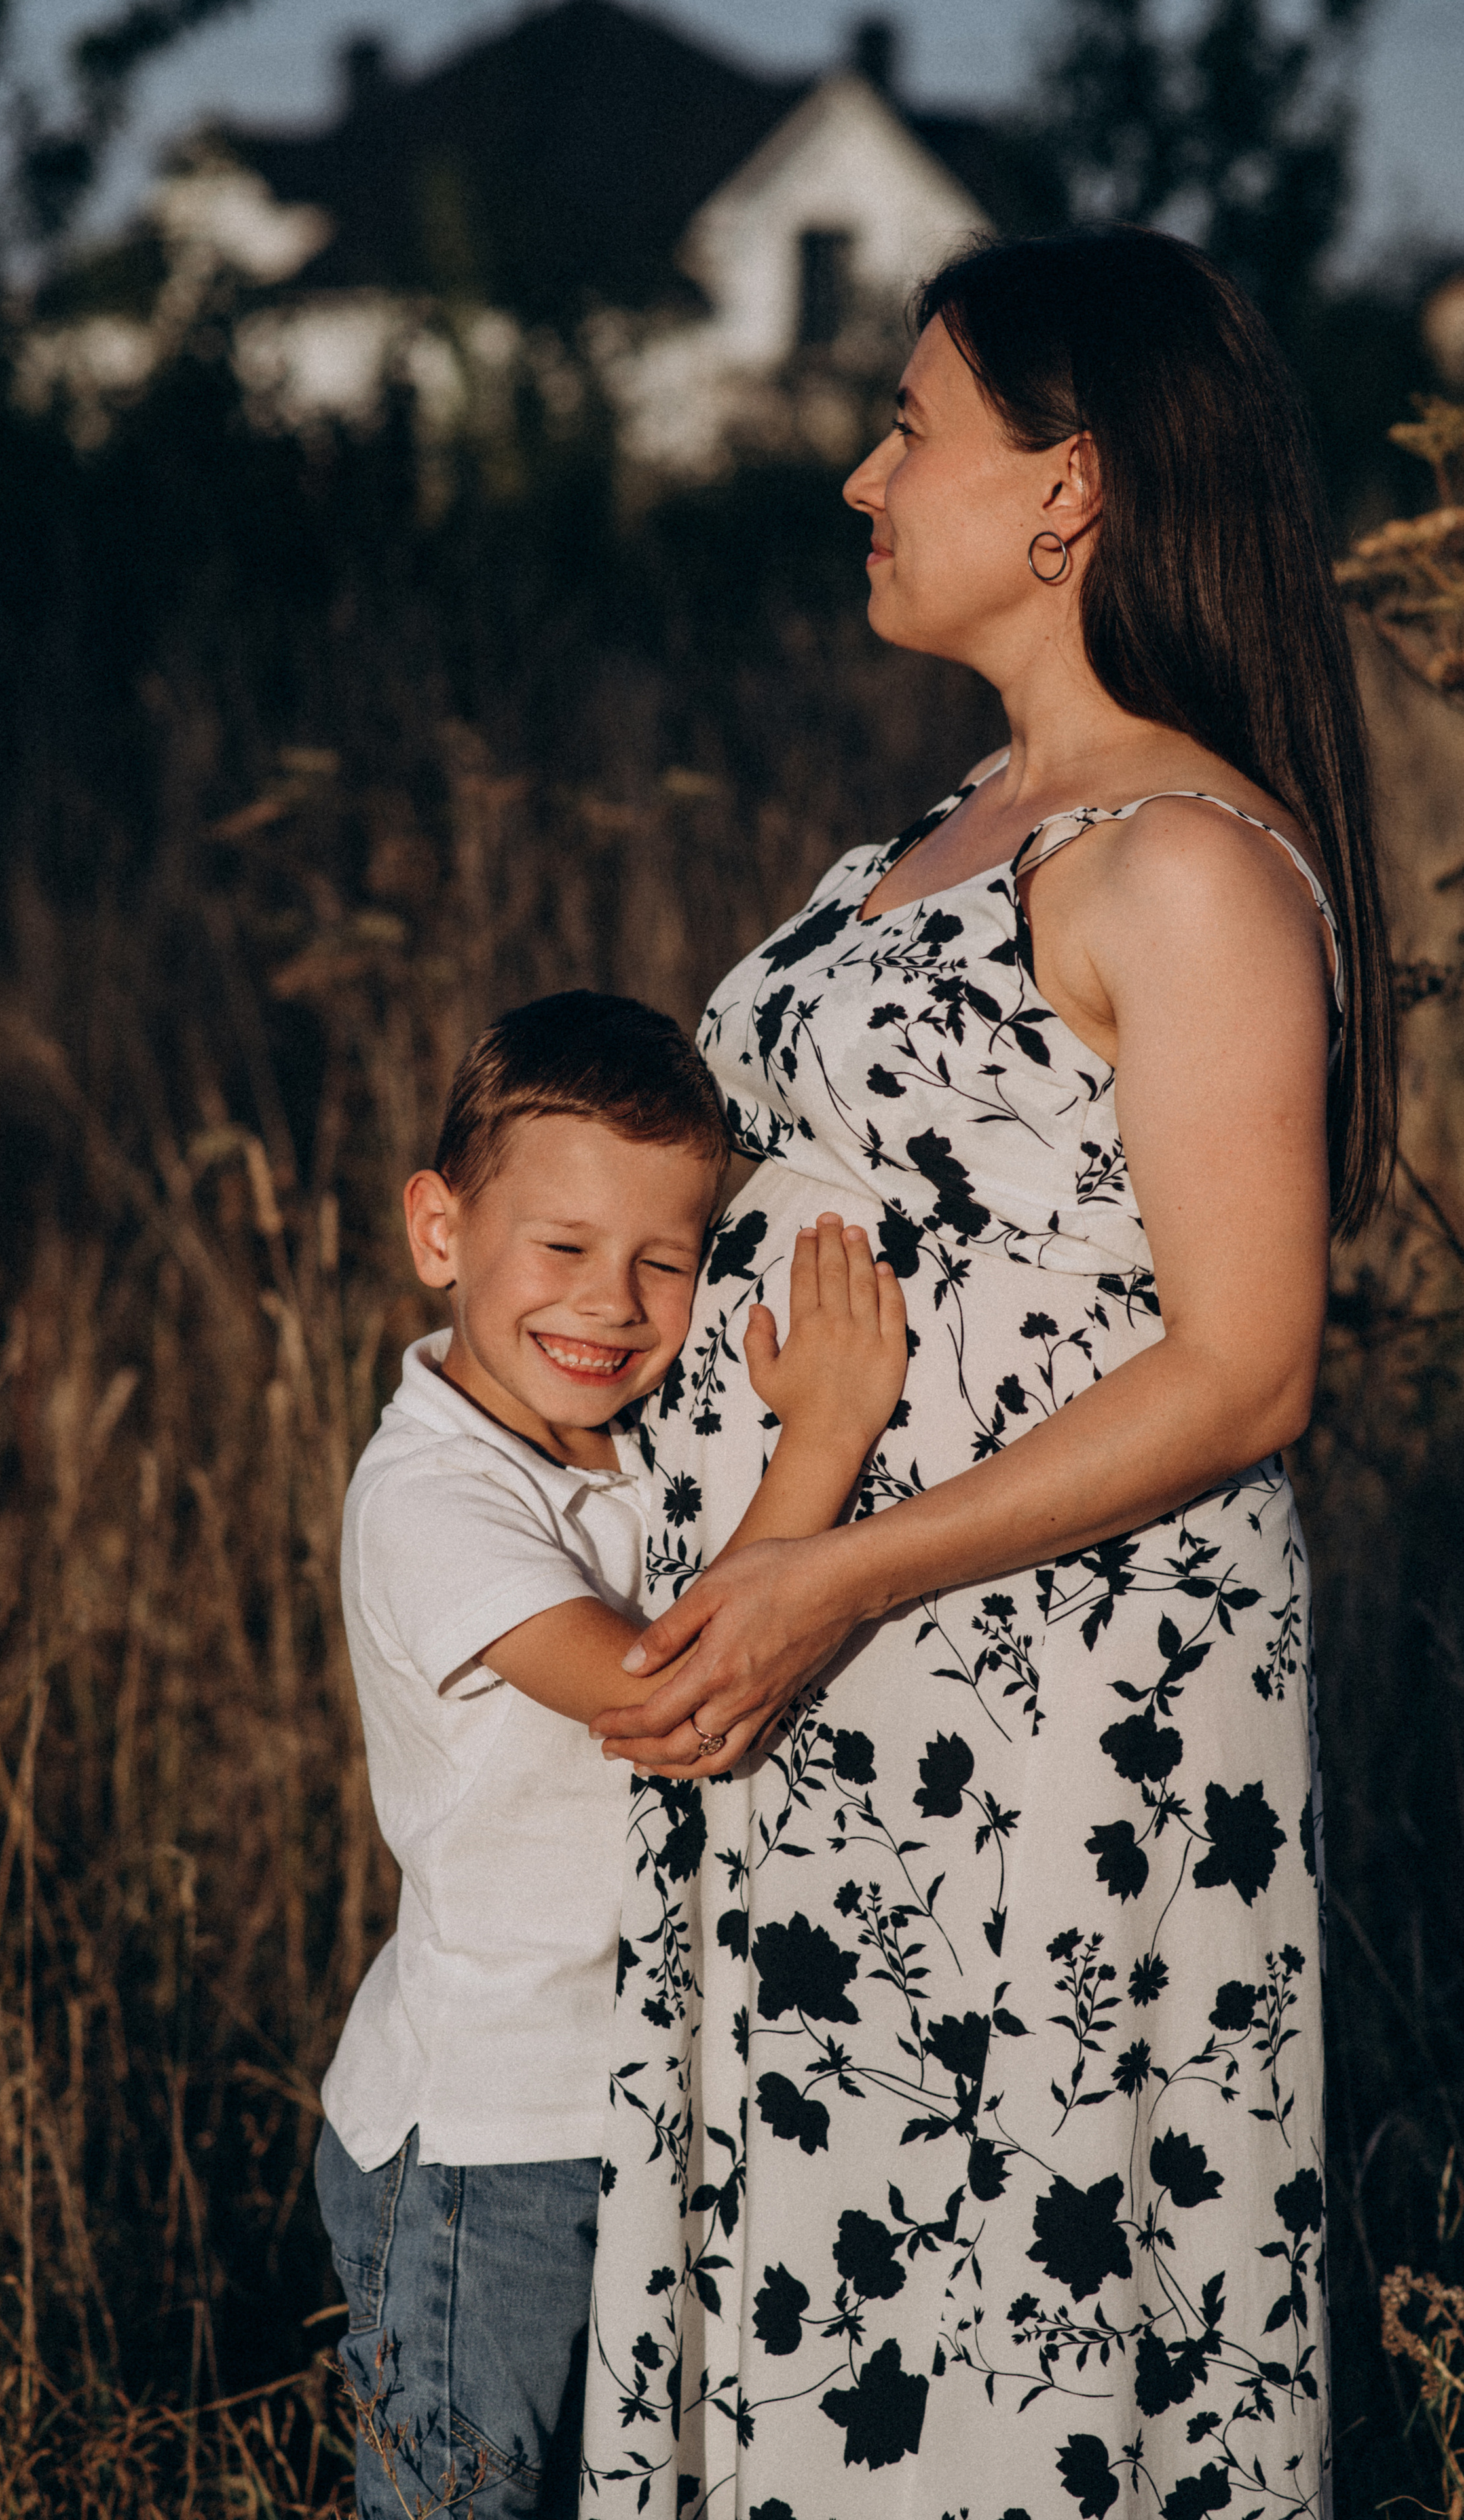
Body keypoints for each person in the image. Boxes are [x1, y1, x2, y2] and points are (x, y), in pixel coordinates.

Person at [577, 230, 1395, 2520]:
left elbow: (1246, 1368)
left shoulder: (1188, 863)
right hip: (841, 1682)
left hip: (1040, 1710)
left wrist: (837, 1569)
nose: (861, 476)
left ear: (1071, 489)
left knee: (1006, 2301)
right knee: (842, 2291)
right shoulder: (946, 819)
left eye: (908, 426)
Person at [313, 990, 908, 2520]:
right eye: (562, 1247)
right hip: (486, 2142)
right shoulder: (431, 1496)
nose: (611, 1304)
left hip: (636, 2102)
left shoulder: (638, 1446)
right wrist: (822, 1444)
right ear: (438, 1231)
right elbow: (673, 1704)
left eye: (663, 1260)